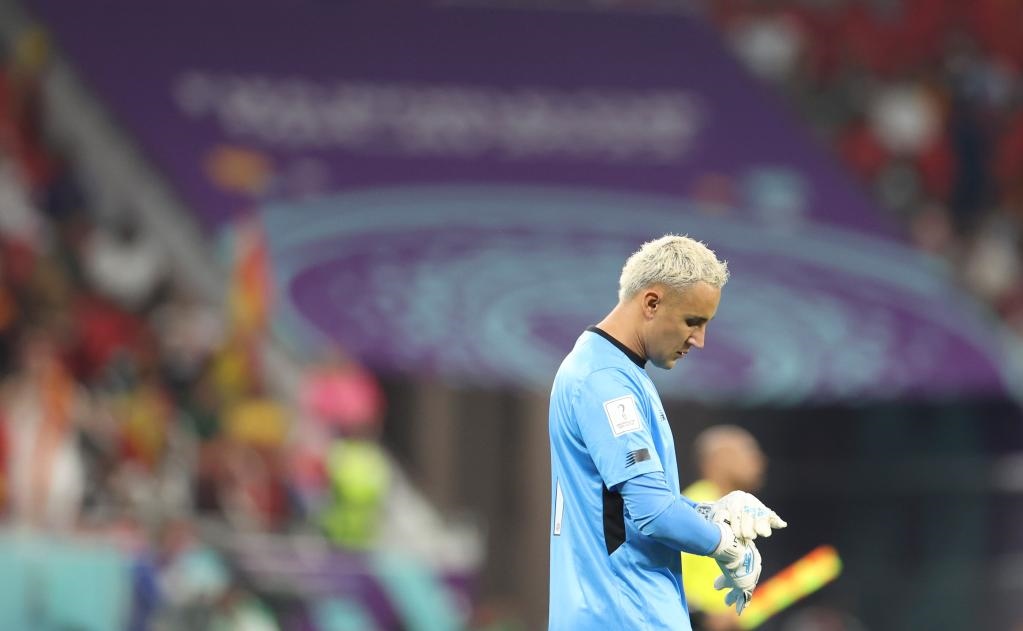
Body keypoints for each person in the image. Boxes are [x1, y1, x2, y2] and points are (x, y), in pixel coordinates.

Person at [548, 234, 786, 630]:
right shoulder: (606, 383)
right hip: (625, 616)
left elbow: (624, 509)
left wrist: (712, 511)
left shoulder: (611, 370)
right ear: (652, 303)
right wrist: (724, 544)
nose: (699, 340)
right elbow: (653, 513)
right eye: (693, 321)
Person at [682, 425, 768, 631]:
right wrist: (703, 615)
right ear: (720, 459)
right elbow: (664, 569)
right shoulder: (698, 507)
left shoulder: (734, 509)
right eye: (749, 452)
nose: (760, 461)